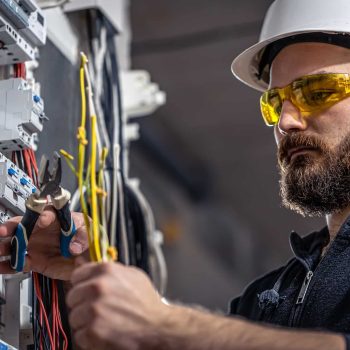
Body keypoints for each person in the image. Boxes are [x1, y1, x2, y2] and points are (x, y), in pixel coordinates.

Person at [2, 0, 350, 349]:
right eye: (275, 103)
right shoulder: (268, 297)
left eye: (317, 92)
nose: (286, 122)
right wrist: (86, 279)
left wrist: (164, 323)